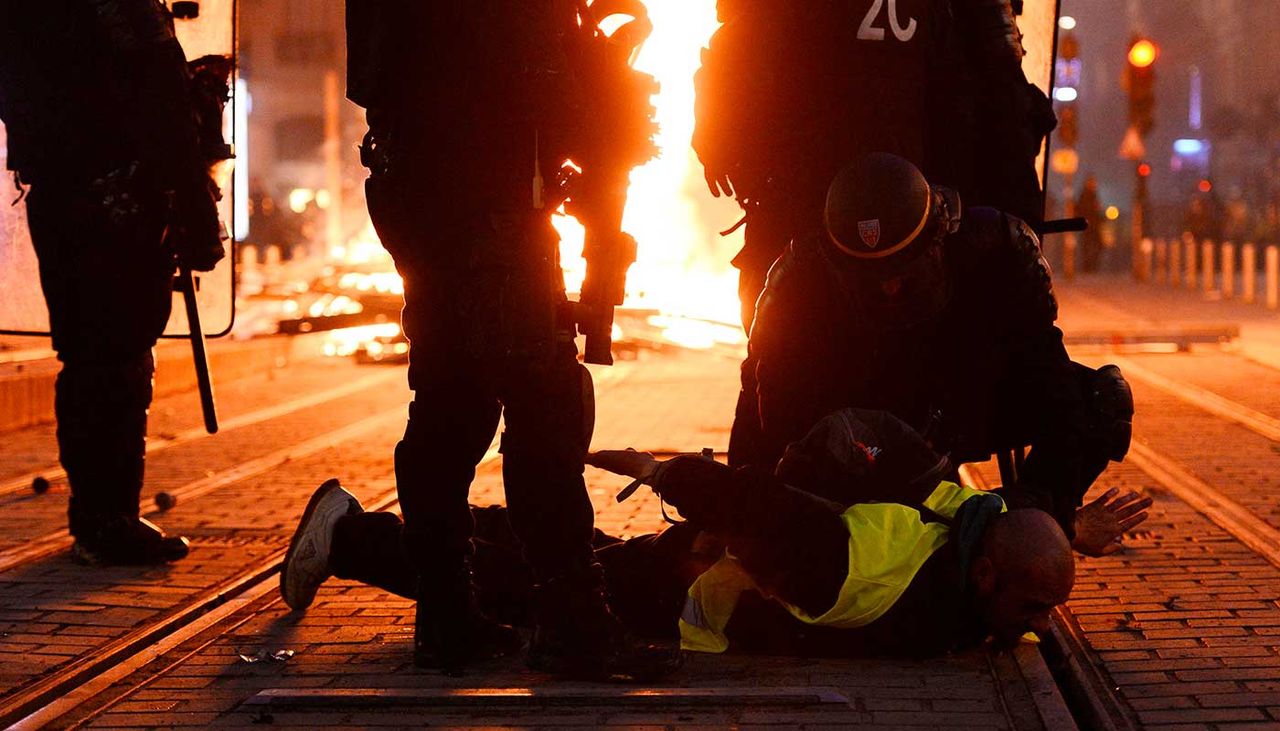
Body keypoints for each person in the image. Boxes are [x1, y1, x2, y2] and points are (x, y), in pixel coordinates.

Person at [332, 2, 676, 680]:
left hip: (441, 203)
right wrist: (601, 101)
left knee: (450, 405)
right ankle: (571, 623)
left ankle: (447, 616)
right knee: (544, 405)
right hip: (490, 209)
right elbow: (534, 74)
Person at [281, 408, 1112, 658]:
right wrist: (664, 469)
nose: (1041, 627)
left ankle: (397, 522)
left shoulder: (969, 524)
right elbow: (759, 512)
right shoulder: (871, 574)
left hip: (705, 572)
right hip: (684, 598)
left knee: (574, 554)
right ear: (986, 580)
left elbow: (1004, 514)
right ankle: (352, 538)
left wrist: (1065, 528)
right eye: (1035, 607)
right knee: (522, 590)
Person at [733, 154, 1138, 556]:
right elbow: (763, 405)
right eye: (871, 279)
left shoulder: (998, 252)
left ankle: (1022, 528)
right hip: (858, 426)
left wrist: (1054, 514)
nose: (890, 289)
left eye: (905, 272)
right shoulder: (796, 282)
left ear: (939, 240)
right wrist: (740, 512)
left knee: (1102, 398)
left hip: (966, 401)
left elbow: (1053, 383)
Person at [0, 1, 226, 564]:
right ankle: (111, 518)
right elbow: (161, 95)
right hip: (121, 194)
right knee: (120, 356)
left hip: (59, 191)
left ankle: (97, 515)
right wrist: (193, 202)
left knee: (87, 354)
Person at [693, 0, 1053, 331]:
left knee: (784, 348)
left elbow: (998, 93)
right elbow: (1000, 93)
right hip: (881, 213)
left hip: (839, 210)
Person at [1075, 175, 1103, 273]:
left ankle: (1091, 266)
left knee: (1095, 245)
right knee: (1088, 246)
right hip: (1087, 225)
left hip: (1092, 225)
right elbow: (1083, 210)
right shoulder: (1085, 195)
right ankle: (1088, 267)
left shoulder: (1093, 194)